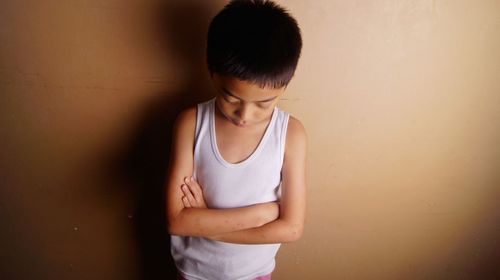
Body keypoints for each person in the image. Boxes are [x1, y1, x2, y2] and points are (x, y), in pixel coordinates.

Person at [165, 0, 307, 279]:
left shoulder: (291, 134)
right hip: (194, 271)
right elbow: (177, 221)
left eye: (263, 104)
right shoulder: (191, 123)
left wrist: (204, 219)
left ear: (285, 85)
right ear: (211, 71)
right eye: (230, 97)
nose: (245, 115)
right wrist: (260, 216)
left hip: (253, 273)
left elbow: (291, 228)